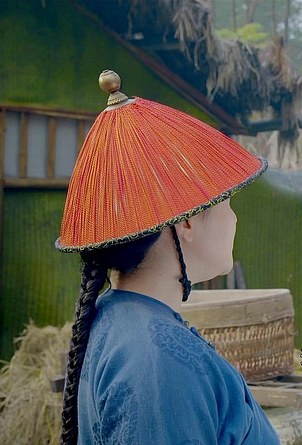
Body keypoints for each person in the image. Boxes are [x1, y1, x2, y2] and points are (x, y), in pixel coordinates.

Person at [56, 70, 281, 444]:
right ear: (187, 221)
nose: (234, 219)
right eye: (227, 203)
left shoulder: (123, 320)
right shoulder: (156, 363)